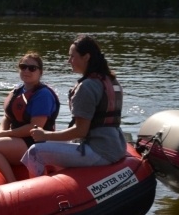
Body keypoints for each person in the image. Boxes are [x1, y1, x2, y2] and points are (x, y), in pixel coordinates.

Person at [22, 35, 126, 176]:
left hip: (98, 151)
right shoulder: (112, 81)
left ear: (86, 57)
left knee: (35, 151)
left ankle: (36, 193)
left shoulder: (87, 86)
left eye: (72, 56)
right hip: (117, 147)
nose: (68, 61)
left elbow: (80, 131)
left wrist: (46, 134)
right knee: (50, 144)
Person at [0, 52, 60, 183]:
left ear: (40, 72)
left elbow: (35, 126)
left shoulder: (43, 95)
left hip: (35, 143)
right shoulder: (17, 91)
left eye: (32, 68)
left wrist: (7, 133)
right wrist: (1, 132)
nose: (27, 71)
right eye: (23, 67)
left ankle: (11, 182)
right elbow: (7, 117)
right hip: (16, 139)